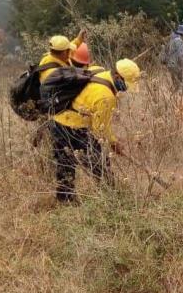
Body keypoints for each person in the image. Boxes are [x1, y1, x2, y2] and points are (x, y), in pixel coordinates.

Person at [49, 58, 141, 203]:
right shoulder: (106, 96)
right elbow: (100, 130)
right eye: (126, 83)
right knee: (97, 163)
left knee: (65, 163)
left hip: (57, 120)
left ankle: (65, 199)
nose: (126, 88)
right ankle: (111, 196)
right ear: (117, 76)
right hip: (71, 126)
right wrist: (114, 143)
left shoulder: (98, 70)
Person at [161, 24, 183, 91]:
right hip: (176, 65)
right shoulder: (179, 41)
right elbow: (180, 55)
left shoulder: (174, 40)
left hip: (171, 65)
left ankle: (174, 98)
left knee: (176, 85)